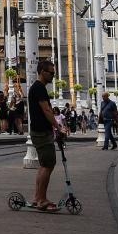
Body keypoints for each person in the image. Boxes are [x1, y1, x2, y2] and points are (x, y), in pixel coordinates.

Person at [27, 62, 67, 211]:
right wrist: (58, 127)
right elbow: (47, 110)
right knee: (48, 165)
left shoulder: (38, 88)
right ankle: (42, 200)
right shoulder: (39, 88)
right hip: (42, 132)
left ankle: (38, 198)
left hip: (39, 131)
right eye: (51, 73)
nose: (53, 76)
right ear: (42, 72)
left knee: (44, 165)